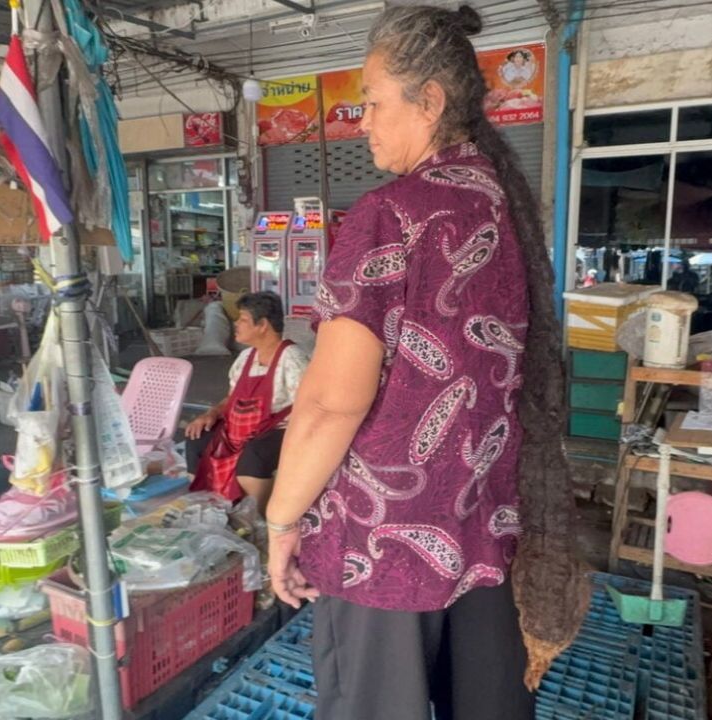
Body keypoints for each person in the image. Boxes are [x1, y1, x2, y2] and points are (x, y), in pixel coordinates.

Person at [264, 6, 588, 719]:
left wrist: (281, 522)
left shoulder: (390, 215)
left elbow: (330, 404)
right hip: (484, 532)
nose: (363, 122)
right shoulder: (504, 211)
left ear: (431, 101)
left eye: (375, 102)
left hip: (385, 552)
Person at [185, 292, 308, 512]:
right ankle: (205, 507)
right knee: (197, 439)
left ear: (262, 325)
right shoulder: (246, 357)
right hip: (239, 428)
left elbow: (307, 410)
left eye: (242, 319)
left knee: (254, 453)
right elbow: (231, 398)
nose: (236, 324)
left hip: (278, 431)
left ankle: (254, 514)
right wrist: (211, 413)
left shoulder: (292, 359)